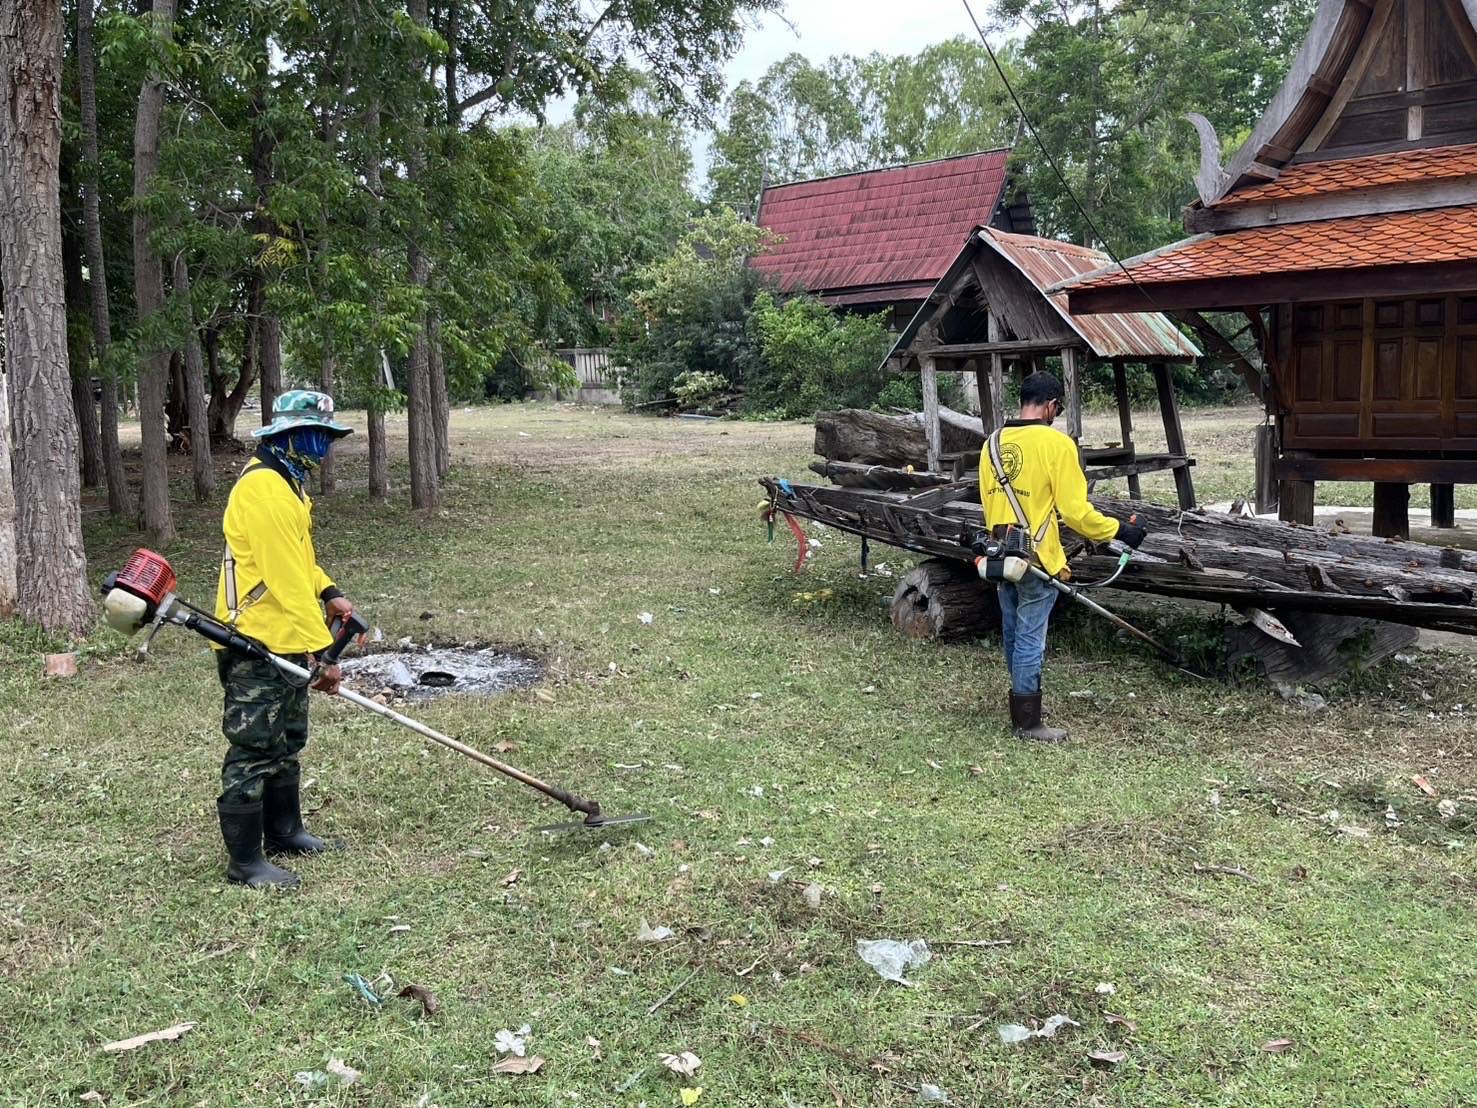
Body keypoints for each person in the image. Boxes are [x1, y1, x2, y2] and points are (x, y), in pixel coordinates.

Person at [213, 390, 356, 888]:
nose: (323, 447)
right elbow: (285, 579)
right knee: (255, 745)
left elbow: (301, 562)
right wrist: (323, 652)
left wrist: (329, 591)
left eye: (327, 437)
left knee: (287, 738)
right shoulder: (265, 491)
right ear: (288, 437)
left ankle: (285, 832)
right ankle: (245, 862)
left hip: (285, 635)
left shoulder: (289, 484)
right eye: (316, 436)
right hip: (255, 639)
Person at [978, 372, 1146, 742]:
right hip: (1036, 559)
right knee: (1029, 637)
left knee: (1012, 630)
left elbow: (989, 502)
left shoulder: (992, 443)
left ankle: (1022, 701)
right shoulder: (1057, 444)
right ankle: (1027, 723)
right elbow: (1075, 512)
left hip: (999, 553)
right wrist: (1120, 530)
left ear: (1023, 400)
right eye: (1058, 408)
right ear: (1052, 405)